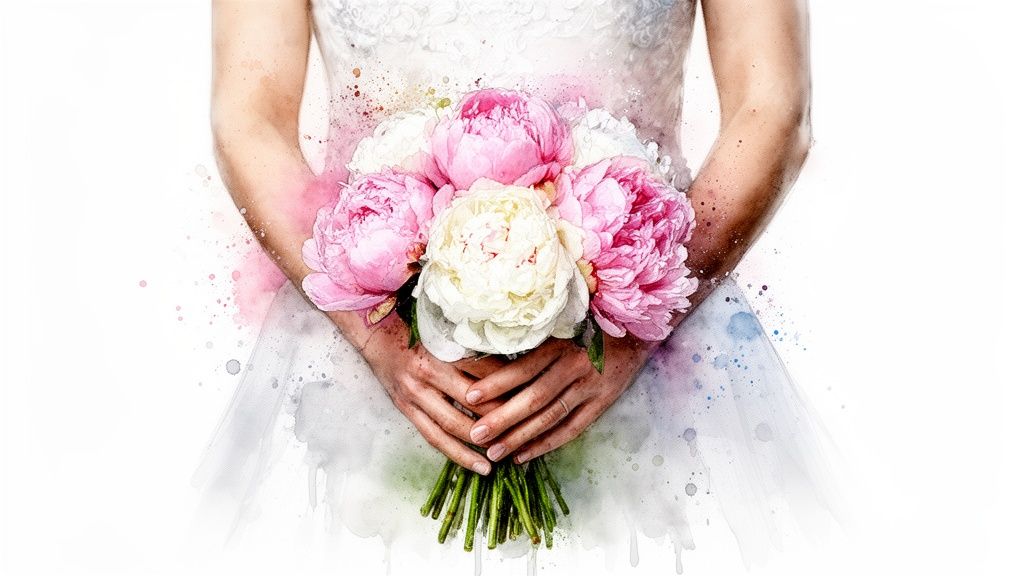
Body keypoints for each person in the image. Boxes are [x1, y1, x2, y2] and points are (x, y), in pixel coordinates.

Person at [199, 0, 836, 565]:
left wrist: (633, 329)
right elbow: (249, 119)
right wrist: (384, 341)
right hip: (368, 363)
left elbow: (774, 107)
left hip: (645, 365)